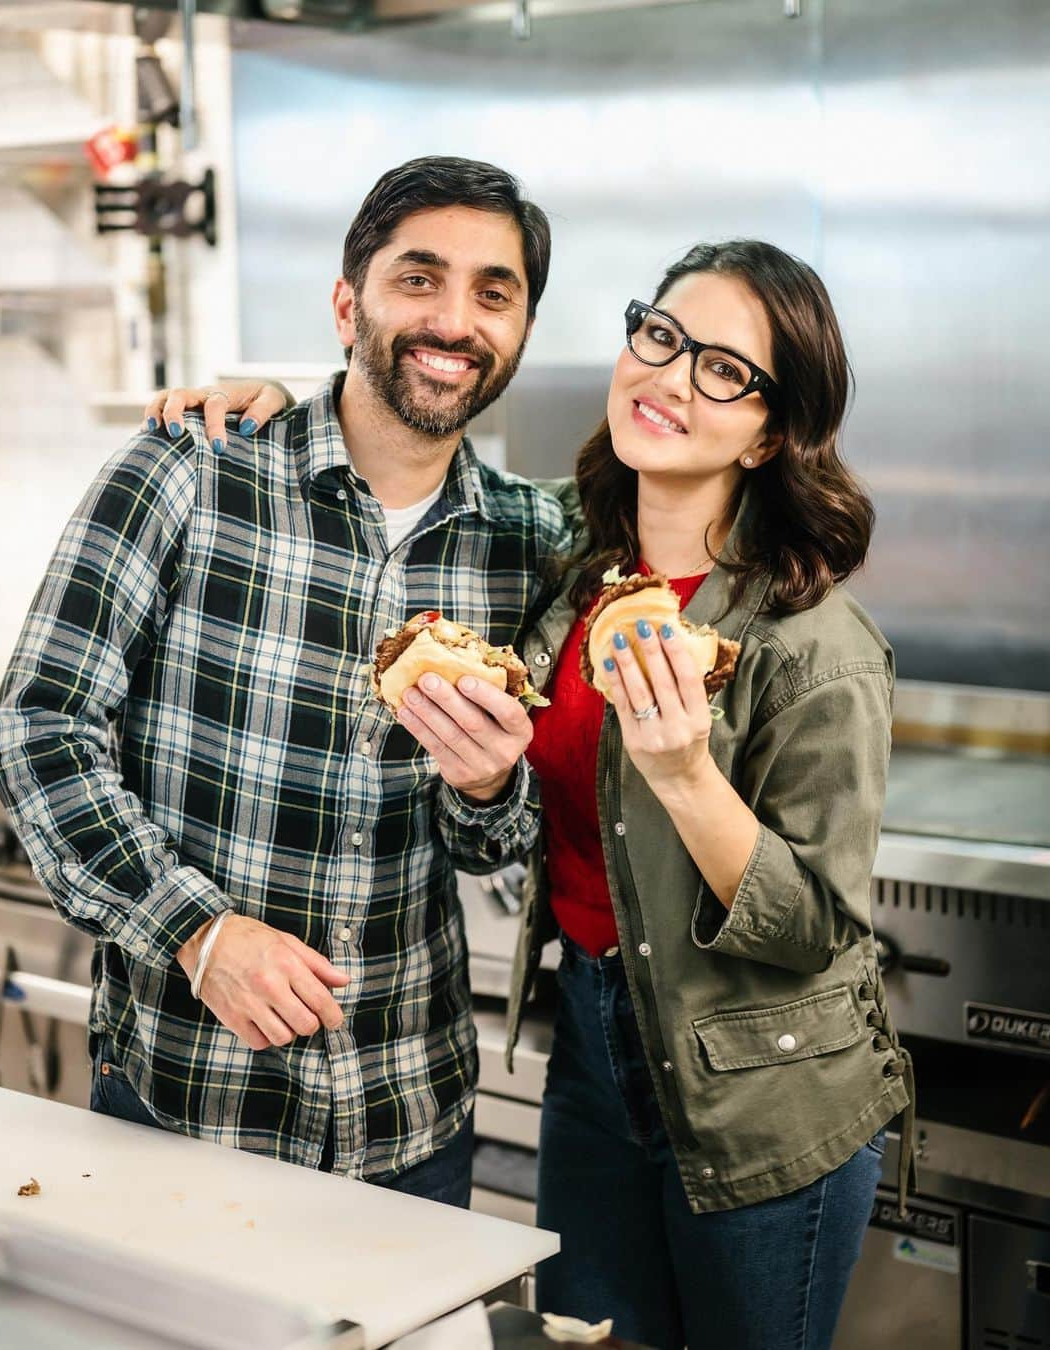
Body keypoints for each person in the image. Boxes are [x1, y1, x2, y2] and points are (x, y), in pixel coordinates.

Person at [170, 237, 914, 1349]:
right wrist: (282, 407)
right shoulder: (572, 573)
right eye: (660, 336)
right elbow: (407, 456)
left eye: (724, 369)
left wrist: (685, 773)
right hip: (593, 1052)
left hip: (766, 1084)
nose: (667, 376)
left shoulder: (815, 643)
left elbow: (812, 927)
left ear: (769, 432)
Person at [0, 156, 569, 1209]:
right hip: (186, 1101)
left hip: (410, 1117)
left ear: (521, 330)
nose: (455, 320)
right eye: (418, 278)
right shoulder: (190, 470)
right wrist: (196, 933)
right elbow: (40, 728)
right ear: (349, 303)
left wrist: (490, 790)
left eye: (495, 292)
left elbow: (496, 848)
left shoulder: (530, 543)